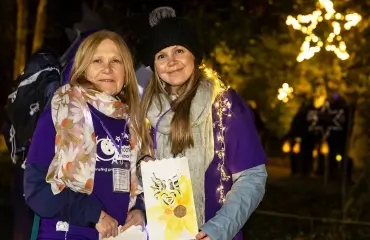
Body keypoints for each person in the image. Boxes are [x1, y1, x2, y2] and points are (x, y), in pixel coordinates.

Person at [139, 7, 268, 240]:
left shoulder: (223, 105)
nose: (172, 62)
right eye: (161, 55)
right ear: (154, 64)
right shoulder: (144, 112)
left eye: (179, 50)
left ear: (194, 55)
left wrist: (217, 230)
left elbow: (252, 177)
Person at [24, 30, 148, 239]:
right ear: (83, 68)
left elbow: (145, 180)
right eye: (97, 60)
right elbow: (36, 189)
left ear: (126, 71)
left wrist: (141, 210)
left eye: (116, 61)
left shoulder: (135, 121)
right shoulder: (61, 112)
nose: (107, 69)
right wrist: (94, 215)